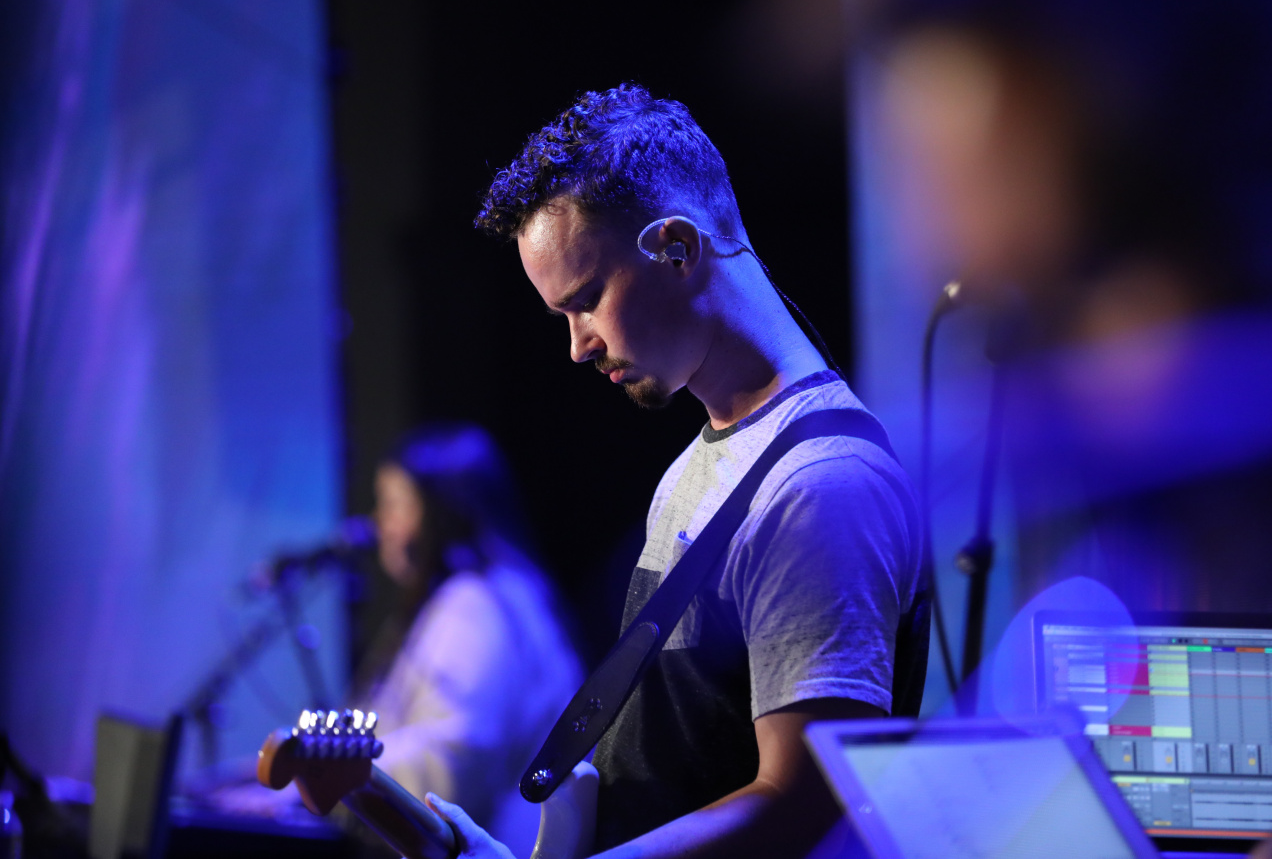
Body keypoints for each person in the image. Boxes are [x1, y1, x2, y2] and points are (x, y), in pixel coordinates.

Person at [423, 84, 928, 858]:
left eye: (587, 300)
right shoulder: (694, 470)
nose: (577, 346)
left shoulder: (823, 486)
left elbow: (804, 801)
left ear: (678, 250)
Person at [357, 424, 584, 856]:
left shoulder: (476, 606)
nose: (379, 524)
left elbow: (454, 761)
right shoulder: (487, 593)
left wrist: (329, 781)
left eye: (394, 504)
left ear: (441, 512)